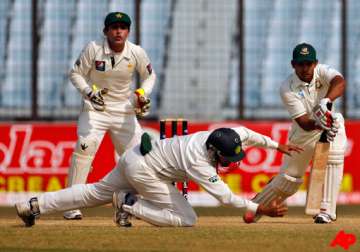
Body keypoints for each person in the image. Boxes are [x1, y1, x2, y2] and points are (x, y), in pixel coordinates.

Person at [15, 126, 302, 227]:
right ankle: (128, 203)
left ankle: (33, 205)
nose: (232, 162)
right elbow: (225, 197)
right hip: (144, 170)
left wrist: (276, 145)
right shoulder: (198, 161)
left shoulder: (227, 135)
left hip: (134, 157)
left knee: (92, 193)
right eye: (228, 158)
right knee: (186, 218)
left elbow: (248, 134)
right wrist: (259, 208)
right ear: (215, 152)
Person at [63, 11, 156, 220]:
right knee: (84, 148)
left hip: (124, 110)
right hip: (96, 108)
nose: (118, 32)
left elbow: (150, 76)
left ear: (128, 31)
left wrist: (142, 93)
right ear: (106, 31)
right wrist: (89, 92)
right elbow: (75, 74)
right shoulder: (93, 48)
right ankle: (70, 205)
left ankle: (138, 204)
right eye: (114, 28)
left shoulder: (136, 52)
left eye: (123, 28)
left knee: (138, 156)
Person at [248, 43, 347, 224]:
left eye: (308, 63)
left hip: (331, 123)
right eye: (300, 64)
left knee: (334, 157)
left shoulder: (323, 71)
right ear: (293, 64)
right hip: (303, 134)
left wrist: (326, 101)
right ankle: (255, 207)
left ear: (315, 63)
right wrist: (320, 124)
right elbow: (304, 123)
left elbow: (339, 82)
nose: (305, 68)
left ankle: (325, 211)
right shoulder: (287, 87)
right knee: (289, 180)